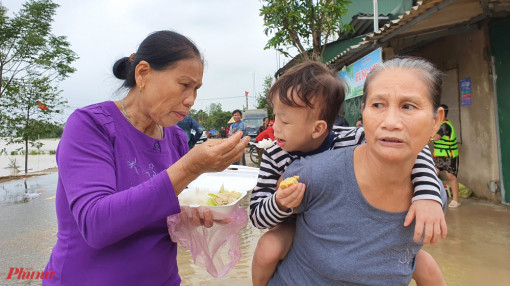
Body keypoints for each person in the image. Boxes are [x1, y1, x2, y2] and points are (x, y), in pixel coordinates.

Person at [42, 31, 250, 286]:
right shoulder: (91, 125)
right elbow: (95, 224)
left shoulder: (175, 137)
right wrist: (190, 166)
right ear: (143, 73)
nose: (191, 100)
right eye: (184, 85)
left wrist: (190, 215)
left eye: (196, 89)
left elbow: (160, 209)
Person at [250, 60, 447, 286]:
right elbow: (257, 214)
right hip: (288, 223)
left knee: (424, 263)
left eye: (408, 106)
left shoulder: (352, 138)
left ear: (318, 128)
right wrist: (280, 203)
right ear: (364, 110)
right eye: (378, 105)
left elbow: (409, 151)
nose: (391, 123)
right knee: (268, 248)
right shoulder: (277, 156)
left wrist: (428, 196)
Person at [432, 104, 461, 208]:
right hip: (439, 155)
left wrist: (426, 137)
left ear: (441, 113)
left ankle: (456, 200)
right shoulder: (438, 124)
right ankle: (433, 197)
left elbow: (436, 137)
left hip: (449, 155)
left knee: (451, 176)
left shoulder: (445, 125)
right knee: (433, 175)